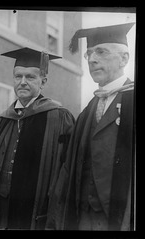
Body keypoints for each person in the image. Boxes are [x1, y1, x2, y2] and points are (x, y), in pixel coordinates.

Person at [0, 47, 75, 229]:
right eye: (18, 76)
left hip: (36, 215)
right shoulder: (1, 121)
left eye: (30, 77)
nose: (23, 82)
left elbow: (66, 172)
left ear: (43, 81)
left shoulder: (59, 118)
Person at [46, 22, 135, 231]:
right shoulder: (87, 110)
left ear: (124, 58)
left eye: (101, 52)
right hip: (81, 217)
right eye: (88, 54)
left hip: (121, 218)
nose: (92, 60)